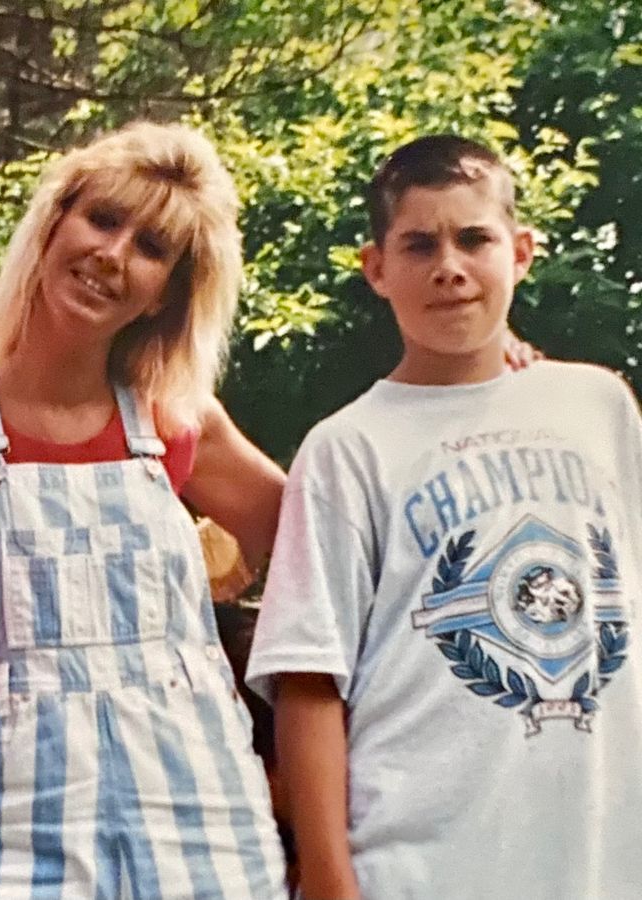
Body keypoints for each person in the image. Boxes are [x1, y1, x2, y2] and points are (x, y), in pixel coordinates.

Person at [0, 121, 290, 899]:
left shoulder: (176, 422)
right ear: (54, 222)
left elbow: (332, 553)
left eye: (151, 248)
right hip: (13, 837)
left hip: (205, 829)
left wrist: (480, 370)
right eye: (103, 219)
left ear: (167, 293)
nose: (113, 254)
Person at [245, 135, 642, 900]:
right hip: (418, 865)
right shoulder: (346, 448)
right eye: (420, 244)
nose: (449, 266)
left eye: (475, 239)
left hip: (601, 857)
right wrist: (328, 878)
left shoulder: (600, 406)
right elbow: (308, 678)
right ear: (376, 268)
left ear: (521, 252)